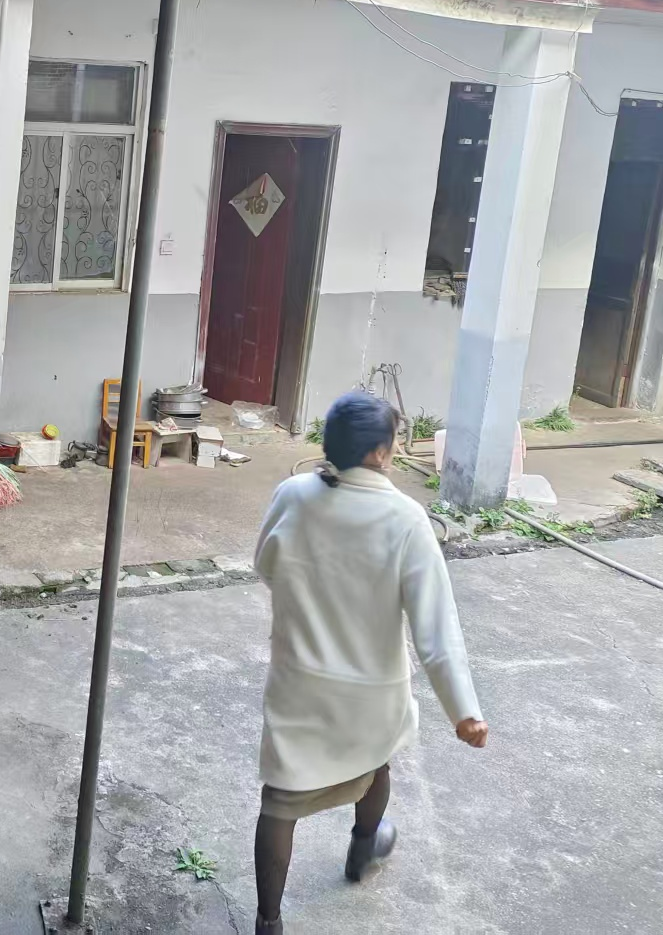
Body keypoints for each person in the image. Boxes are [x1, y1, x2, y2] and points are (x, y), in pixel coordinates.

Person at [251, 392, 488, 934]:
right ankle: (363, 851)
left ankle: (268, 921)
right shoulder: (406, 518)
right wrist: (464, 711)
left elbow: (265, 564)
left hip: (298, 682)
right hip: (372, 691)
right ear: (379, 454)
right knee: (376, 763)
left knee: (280, 801)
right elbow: (435, 628)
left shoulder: (293, 495)